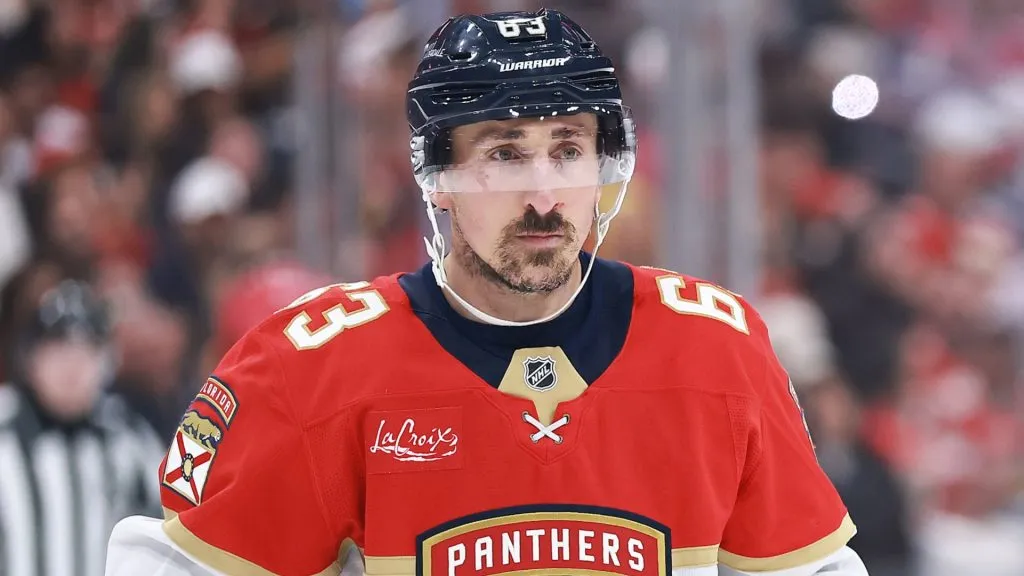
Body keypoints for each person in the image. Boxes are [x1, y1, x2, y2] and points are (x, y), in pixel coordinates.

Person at [104, 9, 869, 576]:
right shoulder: (311, 369)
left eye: (568, 150)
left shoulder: (717, 350)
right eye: (504, 154)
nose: (544, 195)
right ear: (437, 179)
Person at [0, 280, 163, 576]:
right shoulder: (4, 433)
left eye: (85, 351)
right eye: (57, 350)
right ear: (29, 358)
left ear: (107, 361)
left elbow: (166, 528)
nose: (71, 367)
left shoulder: (128, 438)